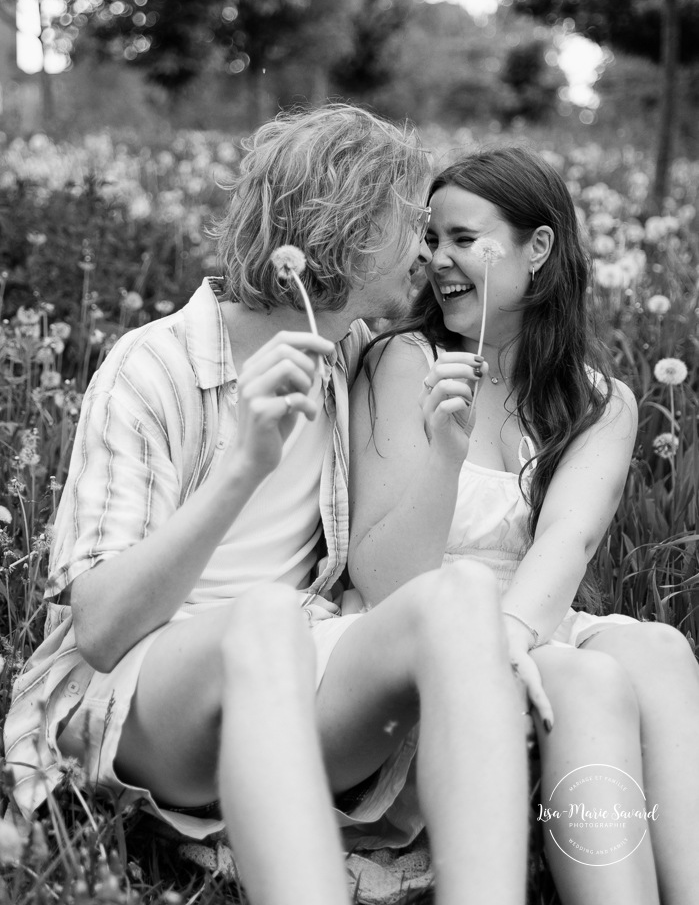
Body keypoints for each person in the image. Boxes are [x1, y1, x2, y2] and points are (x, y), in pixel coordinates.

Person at [4, 106, 531, 905]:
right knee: (265, 616)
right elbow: (104, 629)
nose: (426, 253)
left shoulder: (350, 351)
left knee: (456, 595)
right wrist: (242, 467)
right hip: (143, 703)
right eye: (409, 227)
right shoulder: (154, 366)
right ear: (348, 232)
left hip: (296, 672)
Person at [347, 145, 699, 905]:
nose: (438, 260)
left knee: (661, 646)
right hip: (419, 623)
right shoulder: (405, 363)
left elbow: (565, 544)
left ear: (537, 248)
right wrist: (482, 652)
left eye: (463, 240)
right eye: (432, 240)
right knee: (583, 675)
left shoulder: (599, 401)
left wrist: (509, 639)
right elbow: (380, 578)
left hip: (529, 614)